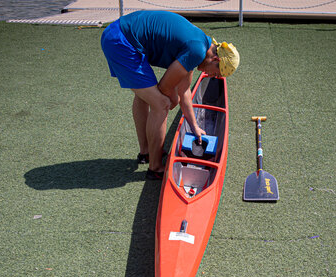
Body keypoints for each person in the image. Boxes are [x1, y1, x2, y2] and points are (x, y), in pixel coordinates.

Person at [101, 10, 239, 180]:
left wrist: (194, 126)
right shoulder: (196, 51)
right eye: (217, 74)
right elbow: (166, 87)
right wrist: (172, 100)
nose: (212, 77)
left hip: (123, 34)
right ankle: (155, 167)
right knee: (161, 104)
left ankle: (146, 152)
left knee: (146, 96)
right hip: (121, 41)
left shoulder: (202, 44)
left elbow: (184, 90)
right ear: (216, 60)